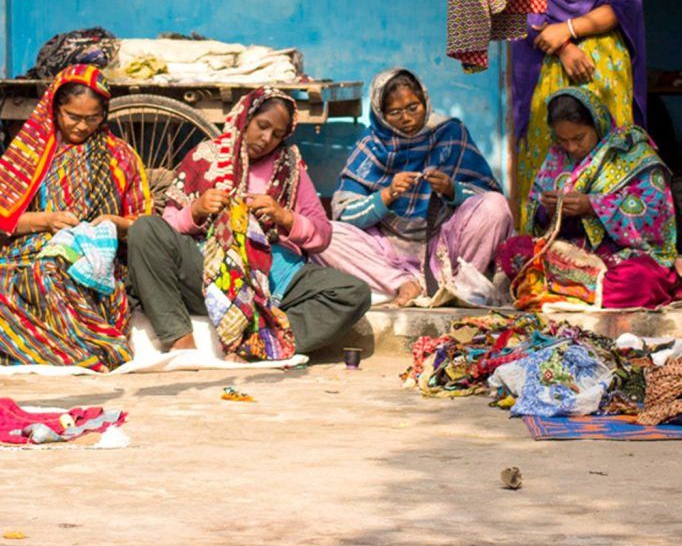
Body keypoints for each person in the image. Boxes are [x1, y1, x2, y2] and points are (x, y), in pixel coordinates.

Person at [127, 88, 370, 360]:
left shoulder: (290, 168)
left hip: (275, 280)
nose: (266, 139)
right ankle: (180, 341)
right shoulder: (204, 157)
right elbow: (168, 228)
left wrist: (283, 217)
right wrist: (196, 210)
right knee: (144, 229)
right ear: (245, 118)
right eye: (262, 126)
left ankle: (262, 346)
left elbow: (322, 234)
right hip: (210, 277)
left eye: (277, 134)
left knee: (354, 293)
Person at [512, 0, 646, 226]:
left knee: (608, 150)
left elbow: (624, 7)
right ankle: (539, 241)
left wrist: (568, 30)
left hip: (602, 70)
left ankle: (617, 234)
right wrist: (564, 47)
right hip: (549, 65)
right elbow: (523, 11)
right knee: (548, 151)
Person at [314, 69, 513, 307]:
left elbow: (485, 193)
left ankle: (460, 287)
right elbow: (345, 214)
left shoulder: (449, 133)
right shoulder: (370, 146)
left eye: (413, 107)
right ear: (380, 113)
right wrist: (386, 195)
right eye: (395, 112)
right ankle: (403, 284)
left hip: (444, 248)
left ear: (425, 101)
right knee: (326, 234)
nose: (406, 118)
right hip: (385, 251)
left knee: (496, 206)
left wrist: (452, 190)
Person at [0, 65, 152, 370]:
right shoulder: (28, 154)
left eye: (92, 118)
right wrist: (46, 220)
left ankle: (81, 352)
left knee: (50, 273)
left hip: (95, 261)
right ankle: (69, 353)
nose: (82, 127)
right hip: (25, 250)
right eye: (73, 117)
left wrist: (113, 222)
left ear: (104, 114)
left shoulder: (120, 157)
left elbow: (144, 225)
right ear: (55, 110)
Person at [496, 88, 681, 310]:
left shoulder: (634, 154)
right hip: (571, 257)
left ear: (597, 124)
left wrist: (593, 206)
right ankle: (579, 294)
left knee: (640, 280)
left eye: (579, 138)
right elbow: (536, 220)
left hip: (621, 258)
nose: (572, 147)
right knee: (513, 251)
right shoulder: (556, 157)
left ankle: (556, 292)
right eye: (564, 140)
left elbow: (653, 216)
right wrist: (547, 210)